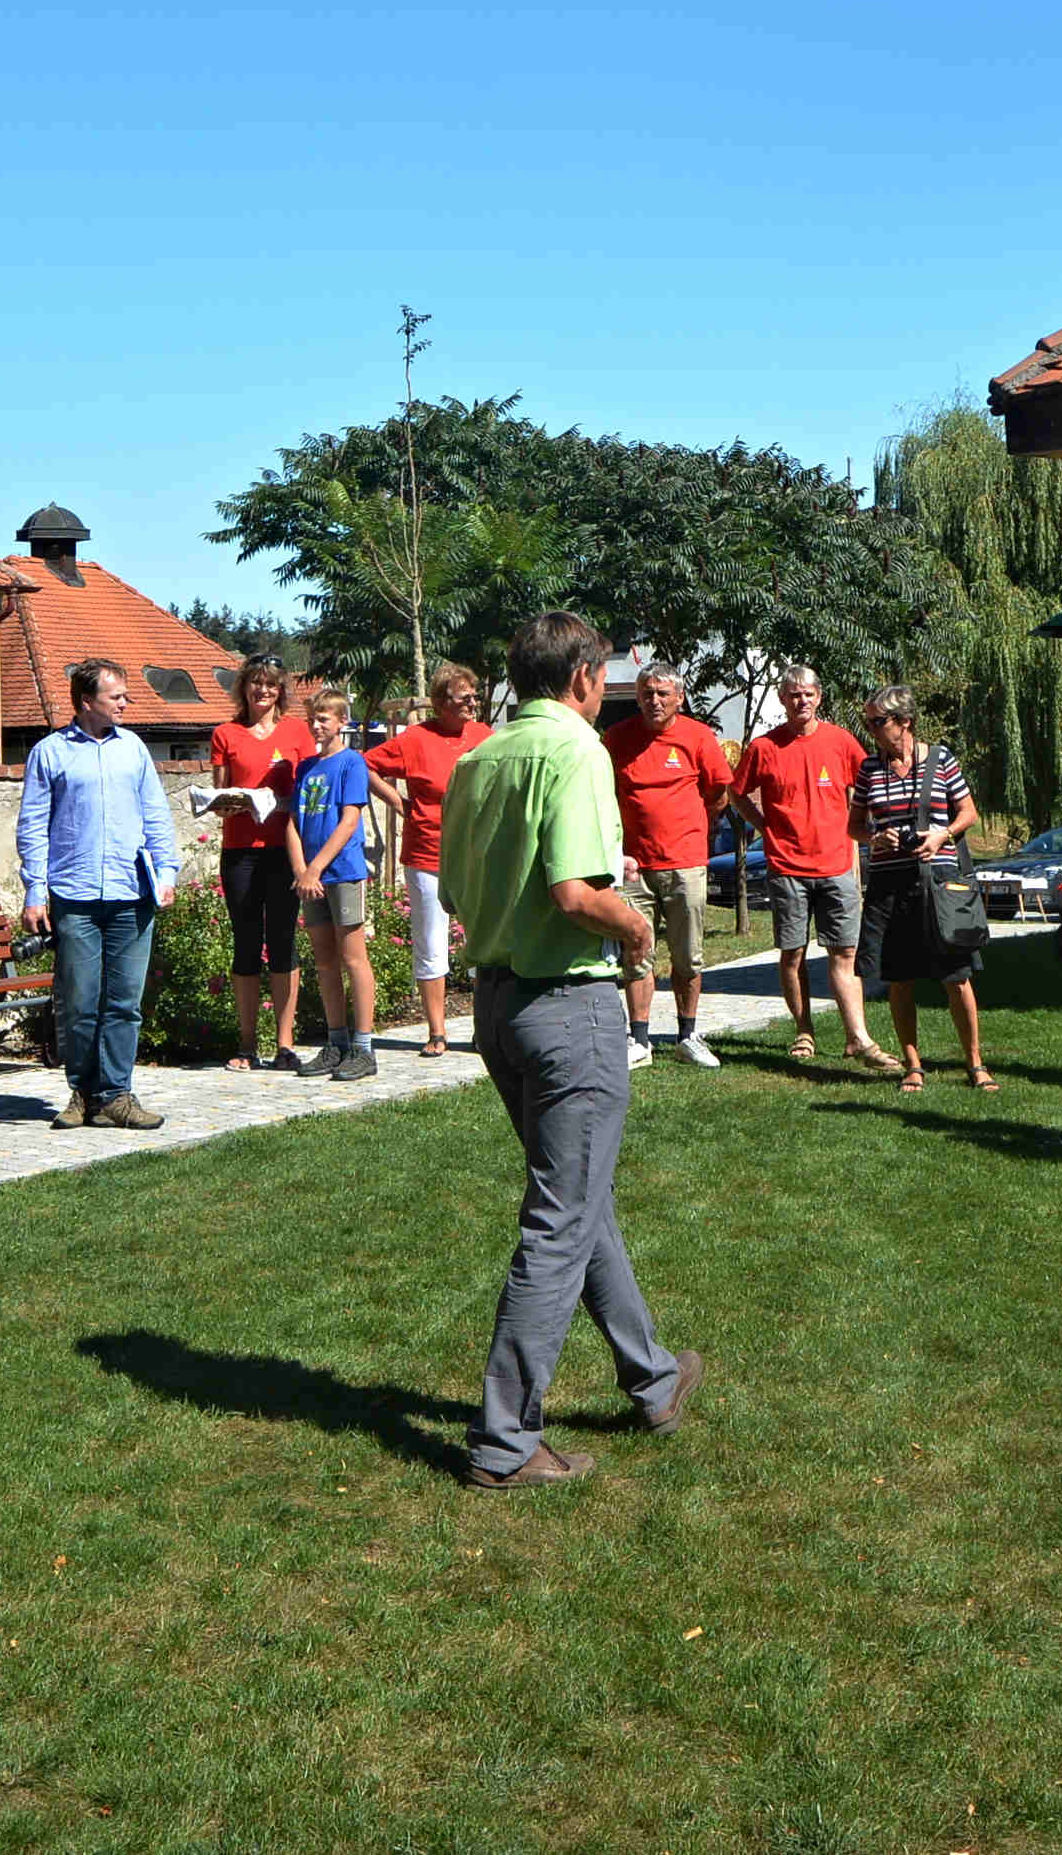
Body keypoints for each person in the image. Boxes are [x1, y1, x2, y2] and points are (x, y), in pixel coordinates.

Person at [448, 610, 702, 1488]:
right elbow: (575, 892)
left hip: (499, 1006)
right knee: (559, 1221)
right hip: (567, 1006)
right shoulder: (578, 750)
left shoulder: (479, 757)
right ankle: (504, 1443)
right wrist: (635, 927)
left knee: (578, 1201)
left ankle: (654, 1379)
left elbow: (454, 890)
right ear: (585, 675)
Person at [20, 657, 182, 1131]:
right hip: (75, 896)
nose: (126, 703)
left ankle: (116, 1095)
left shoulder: (133, 750)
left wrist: (167, 872)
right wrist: (35, 891)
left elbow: (156, 815)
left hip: (133, 894)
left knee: (124, 1002)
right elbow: (33, 825)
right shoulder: (50, 753)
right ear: (87, 701)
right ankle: (83, 1094)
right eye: (117, 697)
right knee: (80, 1001)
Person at [734, 670, 895, 1073]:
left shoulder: (841, 741)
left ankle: (857, 1037)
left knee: (845, 952)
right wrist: (764, 825)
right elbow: (737, 792)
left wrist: (864, 828)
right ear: (782, 699)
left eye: (807, 694)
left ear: (819, 697)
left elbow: (870, 783)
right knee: (793, 953)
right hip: (787, 866)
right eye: (793, 695)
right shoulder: (764, 747)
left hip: (837, 864)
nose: (801, 701)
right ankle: (803, 1030)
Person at [852, 686, 991, 1091]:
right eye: (868, 722)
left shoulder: (941, 759)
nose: (870, 729)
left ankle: (975, 1063)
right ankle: (913, 1064)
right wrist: (875, 837)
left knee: (957, 976)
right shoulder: (869, 768)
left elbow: (969, 812)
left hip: (939, 883)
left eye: (878, 721)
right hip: (889, 884)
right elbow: (854, 826)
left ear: (905, 721)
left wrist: (941, 835)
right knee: (899, 978)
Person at [595, 665, 734, 1066]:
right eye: (647, 693)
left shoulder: (698, 736)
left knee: (688, 955)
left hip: (684, 863)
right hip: (633, 867)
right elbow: (604, 794)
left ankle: (688, 1035)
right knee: (636, 952)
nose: (654, 700)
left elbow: (718, 794)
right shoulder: (617, 738)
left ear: (680, 698)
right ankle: (639, 1040)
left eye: (662, 693)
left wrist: (690, 830)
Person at [370, 668, 493, 1059]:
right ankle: (437, 1031)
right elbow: (366, 765)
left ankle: (484, 1029)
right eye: (463, 698)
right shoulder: (415, 739)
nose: (472, 703)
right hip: (427, 854)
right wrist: (399, 803)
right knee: (431, 943)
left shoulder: (484, 735)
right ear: (440, 703)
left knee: (482, 944)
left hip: (476, 855)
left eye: (474, 696)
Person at [203, 657, 315, 1072]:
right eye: (255, 683)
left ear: (280, 690)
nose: (262, 691)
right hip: (240, 851)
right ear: (243, 688)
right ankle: (247, 1044)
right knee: (246, 942)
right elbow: (218, 798)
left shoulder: (297, 732)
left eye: (270, 684)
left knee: (283, 941)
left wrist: (277, 804)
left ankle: (285, 1044)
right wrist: (230, 803)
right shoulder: (225, 733)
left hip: (285, 850)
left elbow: (308, 791)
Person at [288, 693, 384, 1081]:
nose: (316, 726)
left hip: (342, 872)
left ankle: (363, 1047)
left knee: (353, 957)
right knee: (324, 960)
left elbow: (349, 822)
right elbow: (293, 822)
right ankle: (336, 1041)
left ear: (342, 721)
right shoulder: (306, 768)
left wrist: (315, 868)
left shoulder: (351, 763)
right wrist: (301, 870)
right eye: (312, 719)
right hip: (311, 879)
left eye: (324, 719)